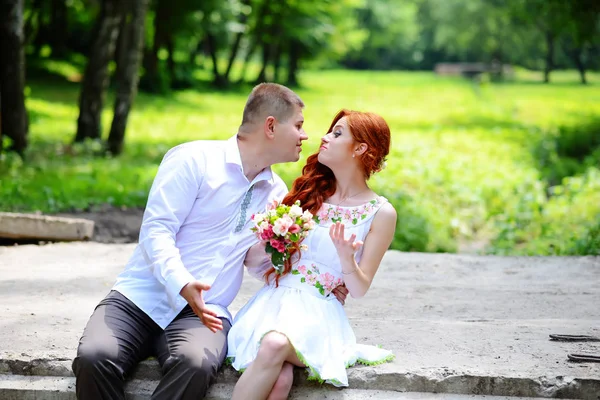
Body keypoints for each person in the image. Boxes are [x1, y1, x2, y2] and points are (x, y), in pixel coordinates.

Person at [72, 83, 330, 400]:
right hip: (140, 296)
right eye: (299, 125)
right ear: (271, 126)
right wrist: (182, 282)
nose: (305, 136)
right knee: (94, 357)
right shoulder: (193, 159)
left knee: (194, 364)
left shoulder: (276, 193)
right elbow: (156, 229)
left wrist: (290, 253)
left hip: (205, 313)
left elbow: (256, 264)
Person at [227, 109, 397, 400]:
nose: (324, 137)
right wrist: (272, 239)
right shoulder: (309, 195)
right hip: (274, 303)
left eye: (337, 133)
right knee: (280, 380)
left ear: (360, 148)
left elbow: (358, 288)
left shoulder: (380, 213)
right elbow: (264, 260)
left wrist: (347, 260)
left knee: (273, 346)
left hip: (320, 313)